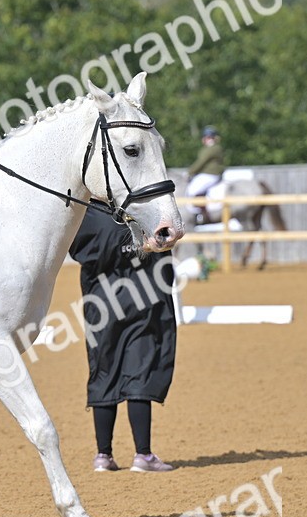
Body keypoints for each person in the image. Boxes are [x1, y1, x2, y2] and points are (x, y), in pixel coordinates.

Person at [69, 206, 177, 473]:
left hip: (102, 305)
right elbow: (169, 237)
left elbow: (78, 251)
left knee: (104, 373)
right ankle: (143, 455)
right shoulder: (147, 209)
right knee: (139, 374)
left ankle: (103, 456)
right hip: (145, 300)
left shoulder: (87, 215)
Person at [186, 125, 225, 224]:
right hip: (209, 174)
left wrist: (190, 172)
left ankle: (200, 214)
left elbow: (201, 162)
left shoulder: (212, 148)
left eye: (207, 137)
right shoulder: (214, 148)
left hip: (210, 174)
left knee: (192, 190)